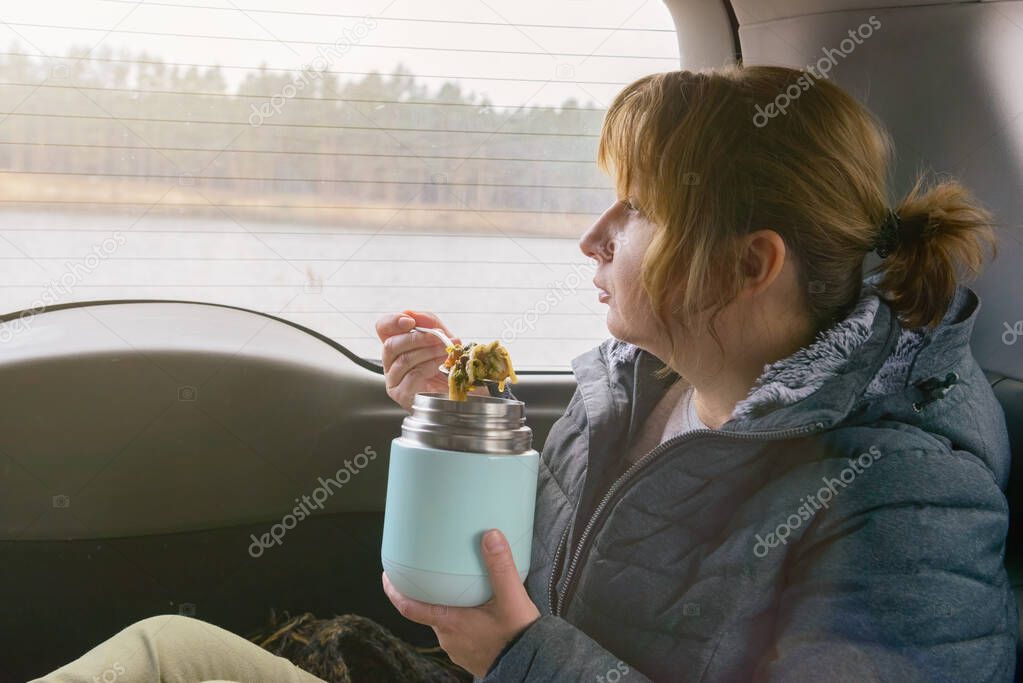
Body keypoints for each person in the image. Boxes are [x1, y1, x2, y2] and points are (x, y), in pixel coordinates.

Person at [34, 64, 1016, 682]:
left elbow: (532, 631)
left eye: (634, 210)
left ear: (749, 263)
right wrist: (463, 426)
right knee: (166, 650)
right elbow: (544, 570)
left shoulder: (906, 496)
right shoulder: (633, 385)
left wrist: (524, 656)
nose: (591, 236)